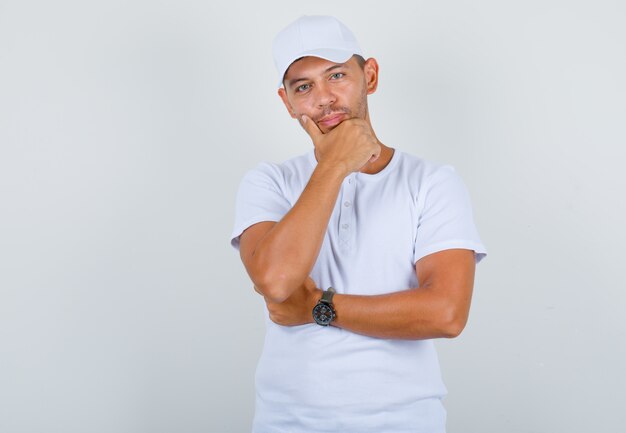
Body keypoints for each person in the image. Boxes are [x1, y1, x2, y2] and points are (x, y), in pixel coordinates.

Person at [230, 15, 487, 433]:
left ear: (369, 75)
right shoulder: (269, 182)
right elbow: (276, 282)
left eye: (336, 75)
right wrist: (334, 164)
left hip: (406, 422)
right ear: (287, 102)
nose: (324, 98)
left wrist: (317, 307)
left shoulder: (432, 182)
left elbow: (445, 313)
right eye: (304, 87)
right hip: (287, 422)